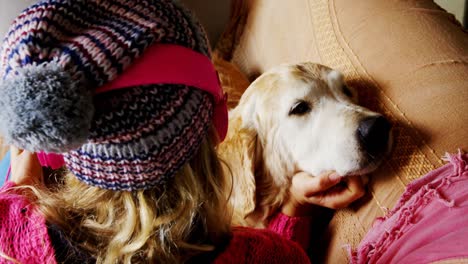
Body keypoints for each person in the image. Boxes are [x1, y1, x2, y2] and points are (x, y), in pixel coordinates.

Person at [0, 0, 365, 263]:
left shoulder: (20, 232)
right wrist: (292, 210)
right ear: (217, 127)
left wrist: (18, 189)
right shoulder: (262, 254)